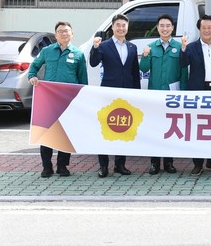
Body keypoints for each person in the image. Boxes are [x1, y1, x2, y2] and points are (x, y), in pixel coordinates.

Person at [28, 21, 88, 178]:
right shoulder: (47, 51)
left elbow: (83, 79)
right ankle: (46, 167)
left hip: (68, 100)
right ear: (56, 35)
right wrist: (32, 76)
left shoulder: (78, 54)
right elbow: (34, 67)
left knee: (65, 133)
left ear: (72, 34)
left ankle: (62, 166)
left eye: (67, 31)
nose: (64, 33)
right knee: (46, 132)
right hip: (48, 99)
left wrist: (83, 97)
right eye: (60, 31)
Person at [89, 14, 141, 178]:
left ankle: (120, 164)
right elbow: (93, 62)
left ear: (127, 27)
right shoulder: (104, 46)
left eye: (123, 25)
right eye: (118, 25)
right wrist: (95, 47)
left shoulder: (132, 47)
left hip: (127, 94)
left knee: (124, 128)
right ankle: (103, 166)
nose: (121, 28)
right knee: (105, 129)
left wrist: (137, 93)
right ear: (112, 27)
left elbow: (135, 72)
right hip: (108, 94)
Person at [179, 14, 211, 175]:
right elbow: (183, 63)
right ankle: (198, 163)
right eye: (204, 27)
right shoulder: (191, 47)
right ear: (199, 29)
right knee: (198, 127)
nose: (207, 30)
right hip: (198, 91)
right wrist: (183, 48)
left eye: (209, 27)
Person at [140, 14, 187, 175]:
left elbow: (183, 72)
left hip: (172, 96)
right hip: (155, 95)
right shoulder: (151, 47)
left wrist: (183, 93)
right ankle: (154, 163)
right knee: (155, 129)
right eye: (162, 26)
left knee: (170, 129)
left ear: (172, 28)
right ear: (158, 28)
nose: (165, 28)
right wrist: (145, 55)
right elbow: (144, 69)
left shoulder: (179, 47)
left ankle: (169, 163)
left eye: (168, 25)